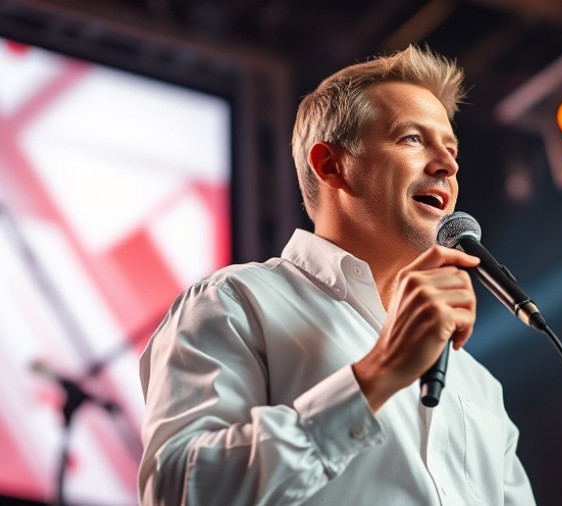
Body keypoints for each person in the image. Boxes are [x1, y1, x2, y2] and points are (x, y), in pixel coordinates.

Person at [138, 45, 535, 505]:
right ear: (331, 165)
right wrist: (381, 371)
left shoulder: (479, 383)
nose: (446, 165)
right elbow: (178, 493)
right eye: (411, 139)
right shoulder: (236, 303)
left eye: (451, 150)